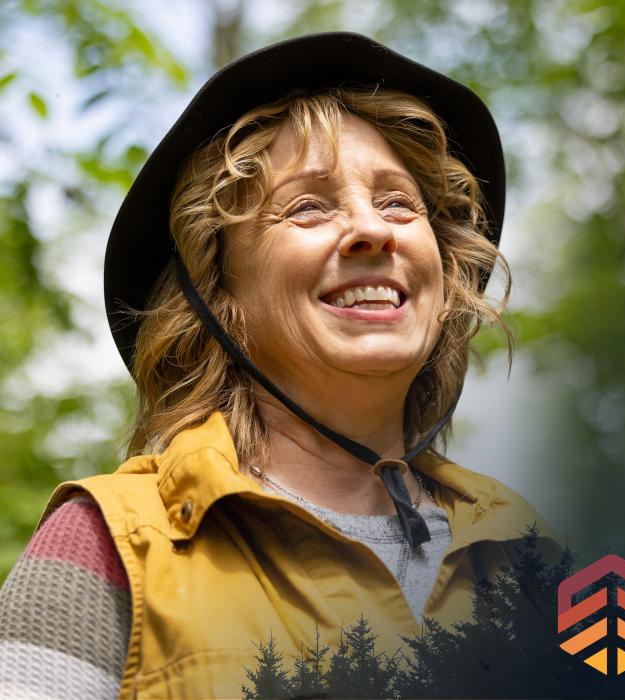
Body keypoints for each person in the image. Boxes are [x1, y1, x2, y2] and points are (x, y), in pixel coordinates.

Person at [0, 32, 563, 699]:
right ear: (220, 294)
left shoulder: (531, 550)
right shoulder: (110, 545)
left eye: (397, 203)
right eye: (308, 206)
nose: (371, 230)